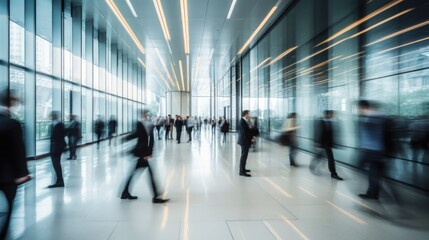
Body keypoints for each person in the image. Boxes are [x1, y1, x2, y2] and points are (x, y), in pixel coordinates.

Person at [0, 89, 30, 240]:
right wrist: (22, 174)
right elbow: (18, 151)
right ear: (13, 103)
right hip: (7, 176)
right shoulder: (12, 123)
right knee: (9, 208)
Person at [120, 110, 169, 203]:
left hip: (144, 153)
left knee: (136, 173)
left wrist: (150, 152)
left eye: (147, 114)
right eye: (145, 114)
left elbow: (151, 140)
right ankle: (156, 197)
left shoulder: (149, 124)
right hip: (141, 153)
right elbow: (136, 135)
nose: (146, 116)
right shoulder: (139, 124)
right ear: (142, 115)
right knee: (150, 174)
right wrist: (124, 138)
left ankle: (125, 192)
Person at [357, 100, 392, 200]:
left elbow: (368, 126)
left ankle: (373, 193)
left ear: (364, 107)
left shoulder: (370, 118)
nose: (358, 111)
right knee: (375, 173)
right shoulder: (380, 117)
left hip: (372, 150)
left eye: (359, 108)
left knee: (372, 173)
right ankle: (373, 193)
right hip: (379, 150)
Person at [310, 110, 343, 180]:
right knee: (330, 159)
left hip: (328, 144)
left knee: (320, 155)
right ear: (327, 114)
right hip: (323, 143)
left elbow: (333, 133)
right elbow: (317, 132)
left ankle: (313, 164)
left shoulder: (330, 121)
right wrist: (317, 142)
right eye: (331, 114)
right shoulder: (321, 121)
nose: (332, 116)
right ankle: (333, 174)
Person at [48, 111, 66, 188]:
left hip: (56, 148)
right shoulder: (57, 124)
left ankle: (60, 181)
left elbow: (59, 137)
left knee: (56, 165)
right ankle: (59, 180)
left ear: (55, 116)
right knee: (56, 164)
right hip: (56, 148)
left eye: (51, 115)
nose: (50, 117)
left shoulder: (58, 125)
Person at [237, 110, 256, 177]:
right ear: (246, 114)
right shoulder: (242, 121)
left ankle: (243, 169)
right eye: (249, 114)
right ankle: (241, 172)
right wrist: (252, 136)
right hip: (244, 141)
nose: (249, 115)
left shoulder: (243, 121)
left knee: (244, 156)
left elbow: (247, 130)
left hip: (244, 140)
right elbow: (245, 132)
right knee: (244, 156)